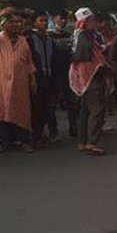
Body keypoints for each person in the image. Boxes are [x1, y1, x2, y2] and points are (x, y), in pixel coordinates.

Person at [0, 8, 37, 153]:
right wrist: (0, 14)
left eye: (19, 22)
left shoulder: (23, 41)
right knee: (2, 111)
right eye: (13, 22)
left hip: (21, 83)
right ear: (4, 24)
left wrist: (32, 79)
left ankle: (25, 141)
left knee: (22, 110)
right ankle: (2, 142)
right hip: (2, 83)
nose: (17, 25)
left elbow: (29, 62)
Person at [69, 8, 109, 156]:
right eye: (91, 20)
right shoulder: (85, 38)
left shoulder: (83, 36)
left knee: (85, 110)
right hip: (90, 77)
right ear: (84, 23)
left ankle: (82, 142)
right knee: (97, 109)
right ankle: (91, 143)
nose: (95, 22)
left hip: (84, 78)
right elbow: (90, 59)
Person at [28, 10, 56, 145]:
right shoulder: (30, 39)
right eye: (40, 20)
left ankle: (39, 133)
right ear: (34, 22)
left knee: (46, 108)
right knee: (36, 108)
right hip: (36, 78)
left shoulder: (50, 39)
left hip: (49, 77)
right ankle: (34, 135)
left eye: (45, 20)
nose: (44, 23)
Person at [48, 11, 76, 139]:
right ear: (54, 18)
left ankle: (74, 129)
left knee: (72, 103)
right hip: (54, 74)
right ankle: (53, 132)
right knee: (52, 104)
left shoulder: (68, 35)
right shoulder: (50, 36)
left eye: (65, 19)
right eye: (61, 18)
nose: (63, 21)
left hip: (68, 73)